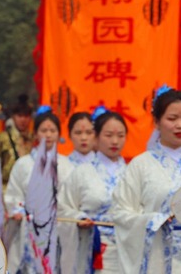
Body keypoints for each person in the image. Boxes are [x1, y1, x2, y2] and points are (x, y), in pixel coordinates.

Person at [111, 85, 181, 273]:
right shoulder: (140, 165)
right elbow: (121, 213)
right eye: (172, 118)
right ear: (156, 122)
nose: (180, 125)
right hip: (156, 258)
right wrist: (152, 221)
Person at [4, 106, 74, 274]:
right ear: (35, 133)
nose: (48, 135)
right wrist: (19, 210)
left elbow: (70, 198)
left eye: (52, 130)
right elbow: (14, 195)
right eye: (43, 130)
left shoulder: (67, 166)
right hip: (28, 230)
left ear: (59, 134)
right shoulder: (23, 164)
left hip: (58, 229)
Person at [58, 107, 127, 273]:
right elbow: (61, 209)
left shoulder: (133, 172)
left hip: (127, 250)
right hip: (91, 247)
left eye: (120, 135)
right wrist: (78, 218)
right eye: (109, 135)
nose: (115, 141)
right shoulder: (82, 172)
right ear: (96, 137)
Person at [0, 94, 34, 220]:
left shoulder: (34, 139)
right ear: (13, 117)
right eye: (20, 116)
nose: (23, 120)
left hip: (29, 196)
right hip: (5, 196)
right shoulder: (2, 139)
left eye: (26, 116)